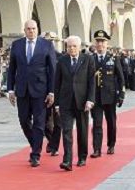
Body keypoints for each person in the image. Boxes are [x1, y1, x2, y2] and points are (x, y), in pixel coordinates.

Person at [7, 20, 56, 167]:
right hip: (22, 89)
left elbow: (52, 70)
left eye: (34, 29)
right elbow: (12, 68)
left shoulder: (46, 45)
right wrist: (10, 89)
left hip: (40, 90)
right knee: (23, 121)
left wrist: (52, 91)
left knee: (39, 123)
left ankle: (35, 154)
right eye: (28, 29)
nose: (31, 31)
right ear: (24, 30)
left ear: (37, 29)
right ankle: (35, 143)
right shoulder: (17, 45)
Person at [54, 36, 95, 171]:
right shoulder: (61, 61)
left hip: (82, 102)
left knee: (82, 130)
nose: (71, 48)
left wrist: (90, 99)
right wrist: (57, 104)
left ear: (79, 47)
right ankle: (67, 160)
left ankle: (82, 156)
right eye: (69, 46)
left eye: (74, 46)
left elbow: (91, 82)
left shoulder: (87, 59)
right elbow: (57, 83)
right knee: (66, 131)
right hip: (66, 102)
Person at [90, 30, 125, 157]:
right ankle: (97, 149)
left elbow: (121, 78)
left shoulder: (113, 59)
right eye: (98, 42)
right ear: (95, 44)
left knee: (111, 122)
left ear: (107, 43)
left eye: (103, 42)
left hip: (110, 96)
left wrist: (121, 94)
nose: (100, 44)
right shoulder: (90, 59)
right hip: (95, 97)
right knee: (97, 123)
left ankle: (111, 144)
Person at [42, 32, 62, 157]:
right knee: (43, 121)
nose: (50, 43)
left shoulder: (61, 57)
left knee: (58, 121)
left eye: (52, 40)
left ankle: (54, 145)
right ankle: (51, 140)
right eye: (47, 40)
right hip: (42, 92)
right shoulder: (38, 56)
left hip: (58, 92)